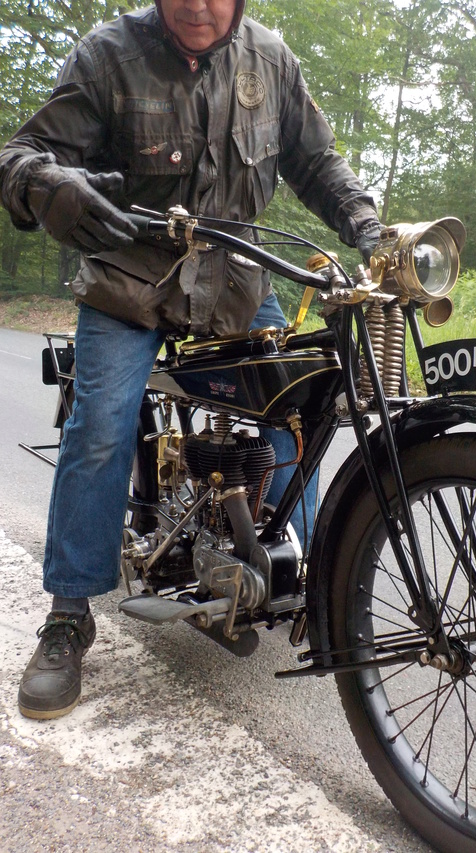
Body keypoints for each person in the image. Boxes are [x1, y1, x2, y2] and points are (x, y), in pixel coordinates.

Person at [0, 0, 381, 720]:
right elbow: (21, 158)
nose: (198, 5)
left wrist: (365, 221)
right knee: (105, 422)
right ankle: (68, 611)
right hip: (129, 281)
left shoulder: (270, 61)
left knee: (299, 412)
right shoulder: (108, 54)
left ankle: (266, 562)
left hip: (238, 281)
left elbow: (316, 160)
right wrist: (48, 186)